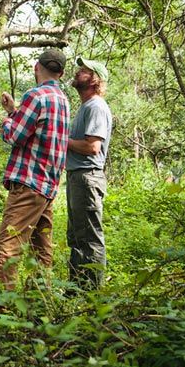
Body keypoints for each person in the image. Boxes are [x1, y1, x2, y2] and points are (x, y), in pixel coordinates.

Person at [0, 49, 70, 290]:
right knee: (41, 249)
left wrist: (7, 121)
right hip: (48, 188)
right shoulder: (63, 101)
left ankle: (7, 310)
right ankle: (39, 305)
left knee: (7, 247)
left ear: (37, 67)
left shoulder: (36, 96)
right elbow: (38, 132)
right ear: (62, 72)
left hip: (28, 185)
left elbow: (14, 135)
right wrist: (14, 111)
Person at [66, 57, 112, 289]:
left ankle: (92, 294)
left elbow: (92, 147)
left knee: (90, 239)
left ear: (95, 80)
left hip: (87, 176)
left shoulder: (95, 106)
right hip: (78, 177)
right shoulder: (86, 106)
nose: (77, 72)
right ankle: (76, 290)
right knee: (76, 237)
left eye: (83, 71)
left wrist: (62, 141)